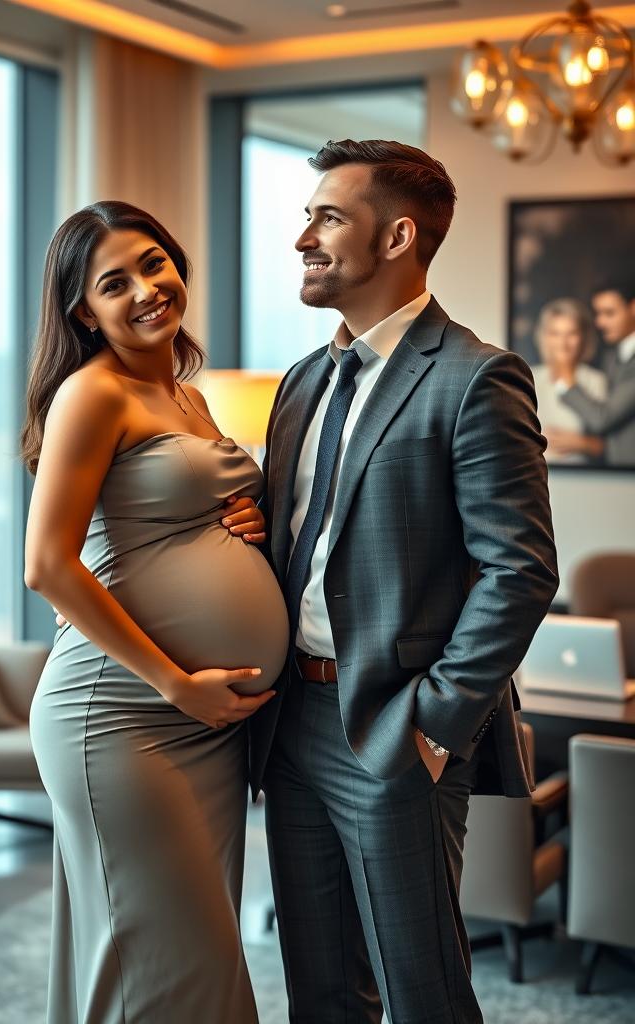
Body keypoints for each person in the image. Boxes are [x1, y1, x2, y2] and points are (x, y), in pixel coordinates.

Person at [251, 140, 558, 1024]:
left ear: (397, 237)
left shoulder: (476, 377)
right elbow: (302, 542)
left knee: (423, 994)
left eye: (327, 217)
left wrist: (432, 724)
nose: (302, 236)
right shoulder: (303, 382)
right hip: (293, 724)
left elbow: (521, 568)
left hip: (395, 731)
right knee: (318, 993)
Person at [21, 200, 289, 1023]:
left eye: (154, 263)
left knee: (185, 959)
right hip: (126, 717)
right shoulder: (91, 395)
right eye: (115, 282)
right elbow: (45, 566)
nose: (146, 289)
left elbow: (171, 518)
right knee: (164, 969)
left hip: (203, 731)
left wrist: (251, 522)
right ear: (84, 311)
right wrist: (177, 683)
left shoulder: (188, 397)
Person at [558, 280, 635, 467]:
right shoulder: (612, 356)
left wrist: (567, 379)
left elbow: (603, 418)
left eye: (609, 313)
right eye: (598, 314)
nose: (599, 322)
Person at [528, 297, 606, 464]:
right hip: (534, 476)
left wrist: (582, 444)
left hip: (584, 476)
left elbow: (611, 445)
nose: (563, 343)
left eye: (572, 333)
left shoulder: (597, 381)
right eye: (555, 333)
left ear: (583, 338)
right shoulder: (529, 376)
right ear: (543, 337)